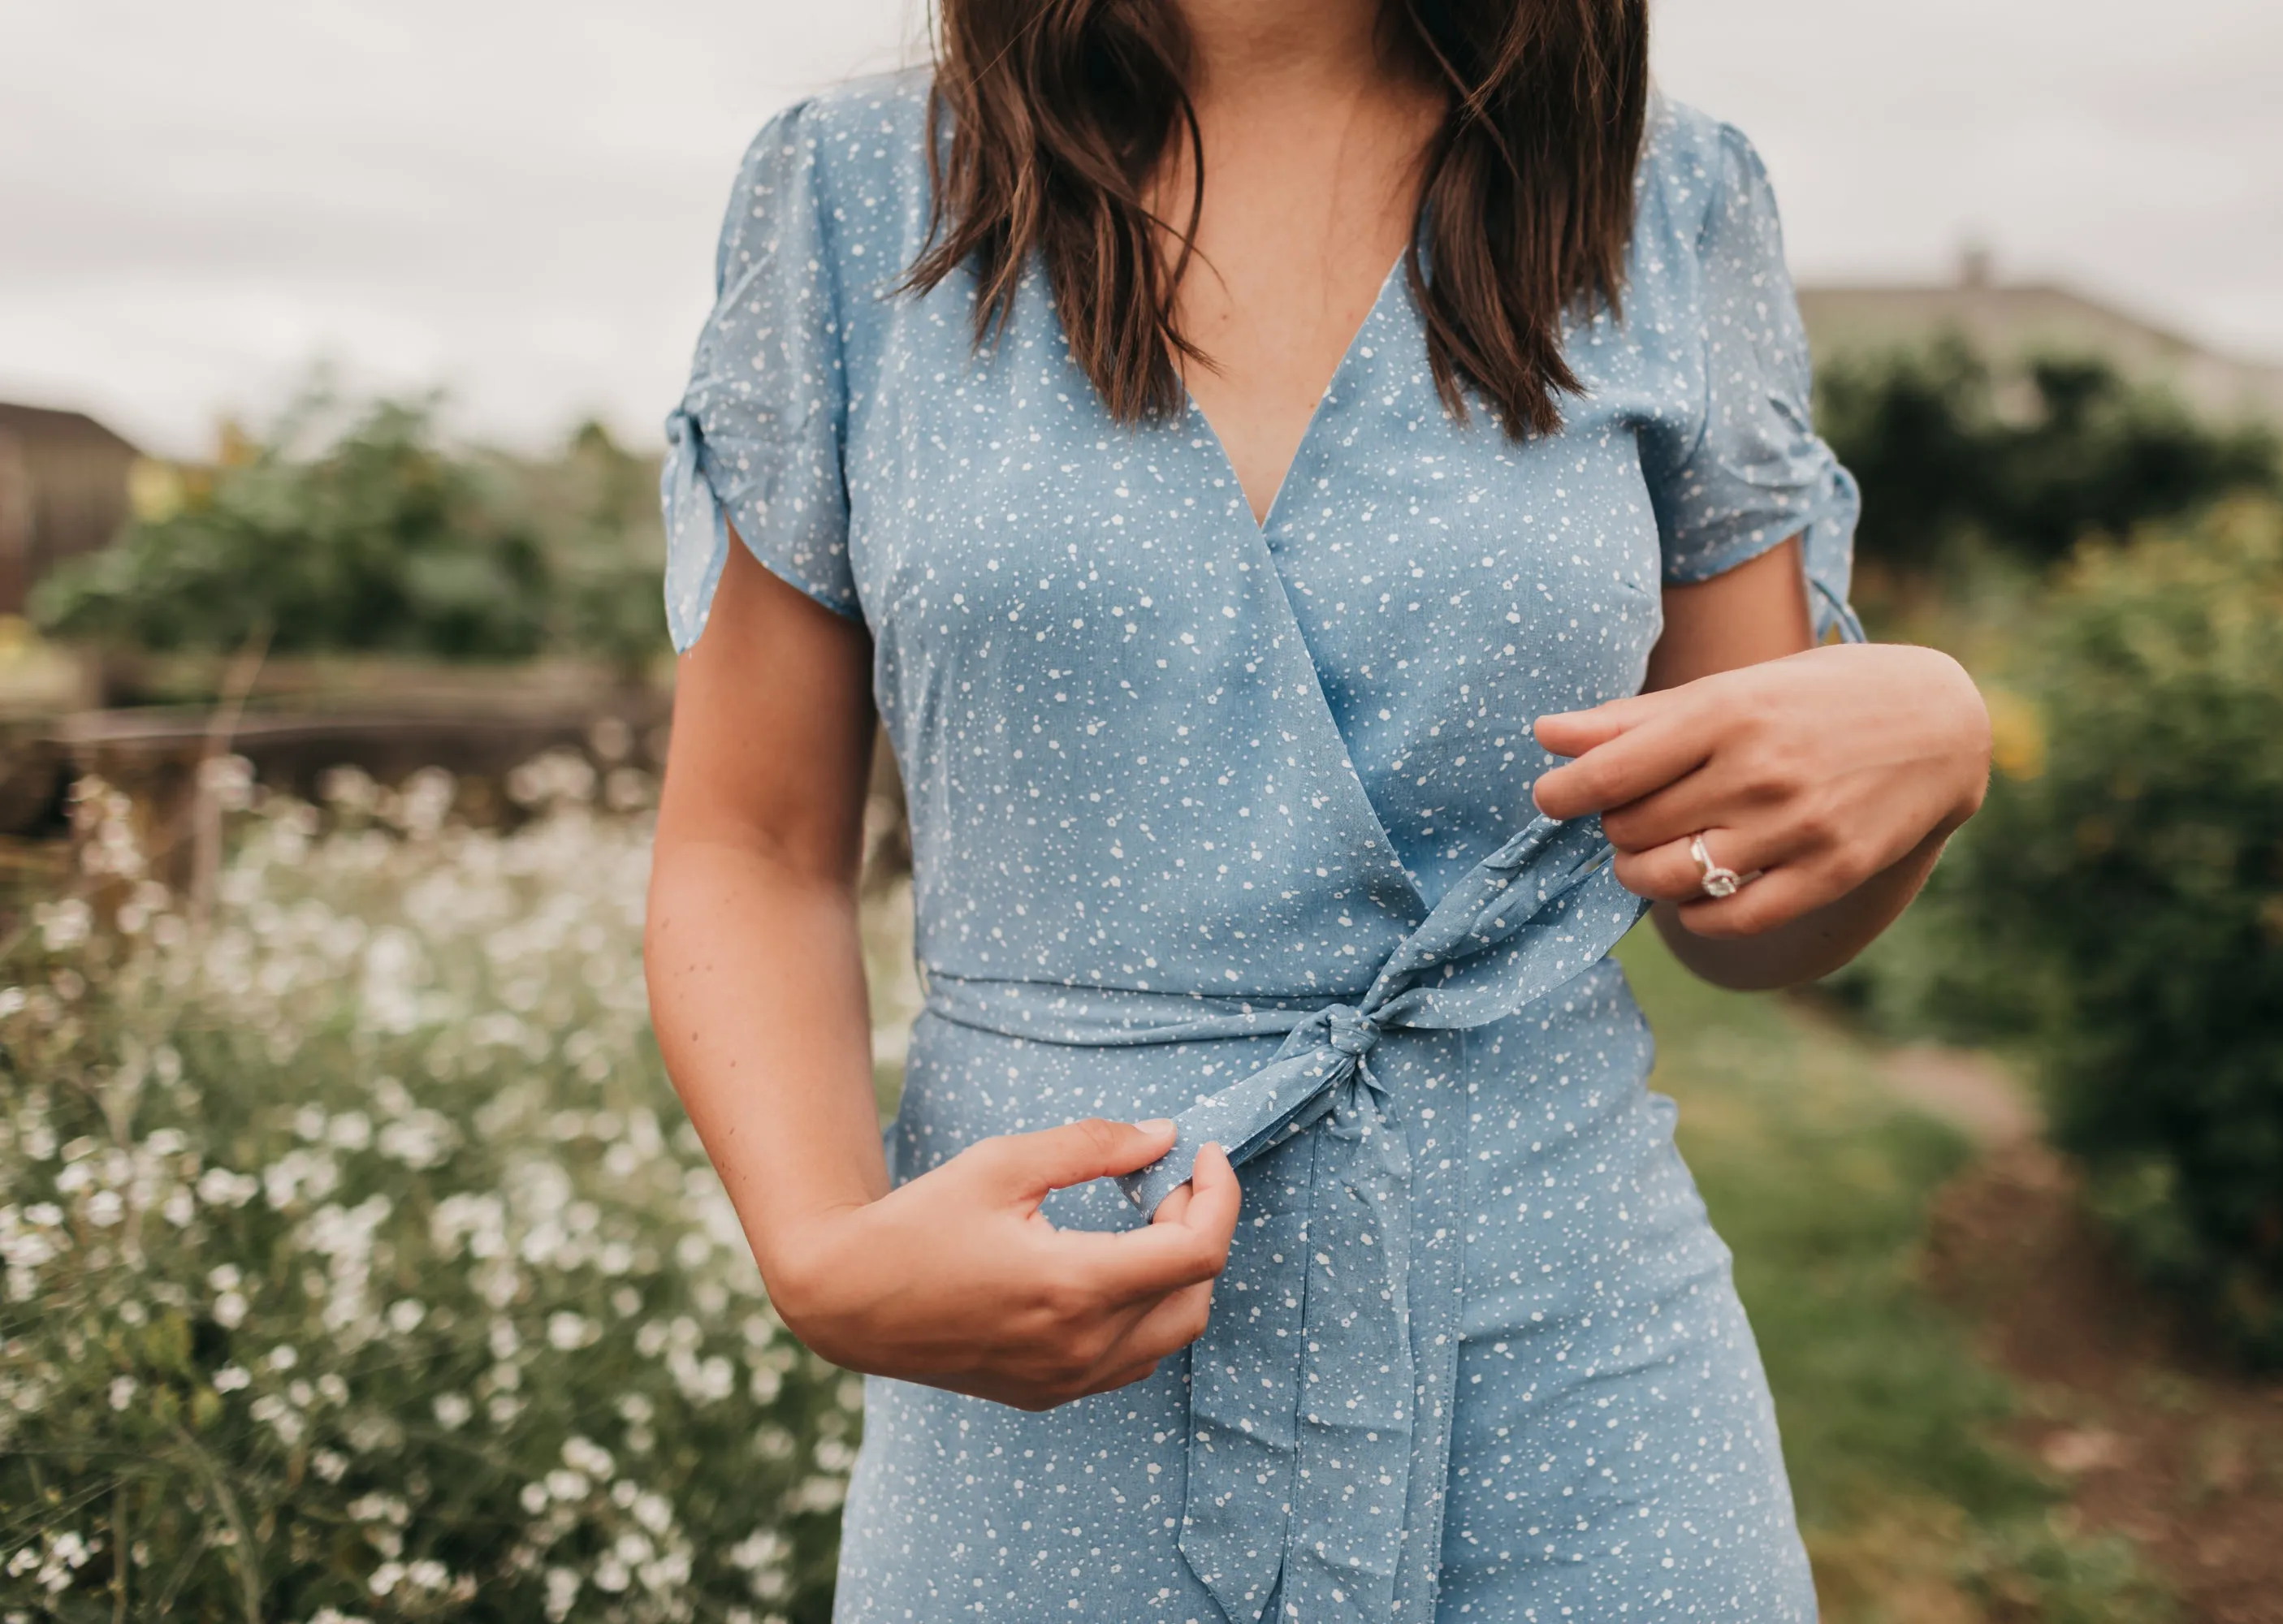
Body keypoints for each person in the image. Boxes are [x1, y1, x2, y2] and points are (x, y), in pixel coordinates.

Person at [645, 0, 1991, 1617]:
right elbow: (754, 842)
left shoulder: (1666, 198)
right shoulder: (853, 192)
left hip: (1582, 1403)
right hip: (1046, 1407)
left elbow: (1739, 899)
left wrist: (1926, 753)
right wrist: (820, 1248)